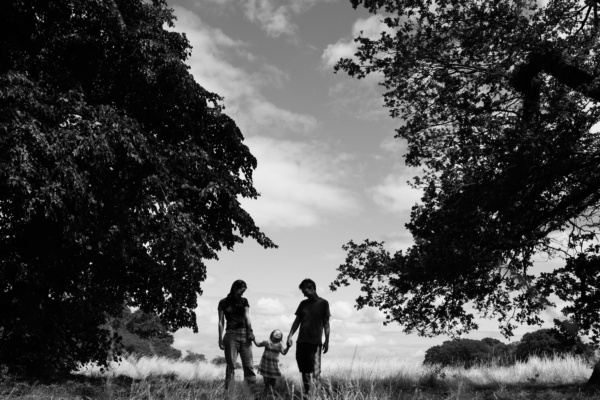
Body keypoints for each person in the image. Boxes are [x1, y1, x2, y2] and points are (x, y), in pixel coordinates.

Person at [286, 279, 330, 399]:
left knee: (315, 372)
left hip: (315, 343)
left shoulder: (323, 303)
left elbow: (326, 323)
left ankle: (318, 395)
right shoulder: (303, 304)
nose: (304, 294)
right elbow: (297, 321)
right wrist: (290, 335)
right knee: (304, 372)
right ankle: (307, 395)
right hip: (301, 342)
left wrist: (327, 340)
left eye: (305, 291)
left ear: (312, 289)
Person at [218, 279, 257, 396]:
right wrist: (220, 339)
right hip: (230, 335)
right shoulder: (223, 302)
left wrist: (250, 331)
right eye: (241, 290)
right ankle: (230, 393)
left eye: (244, 291)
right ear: (235, 288)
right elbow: (220, 322)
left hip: (245, 334)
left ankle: (251, 394)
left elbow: (247, 317)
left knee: (249, 365)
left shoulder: (244, 301)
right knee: (231, 365)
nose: (242, 293)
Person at [253, 329, 290, 398]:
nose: (277, 336)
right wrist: (253, 338)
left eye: (278, 335)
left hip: (273, 368)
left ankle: (268, 396)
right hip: (266, 367)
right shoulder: (267, 342)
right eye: (276, 334)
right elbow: (258, 344)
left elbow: (284, 352)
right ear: (271, 336)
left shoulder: (279, 345)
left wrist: (288, 347)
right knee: (267, 384)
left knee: (272, 385)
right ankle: (265, 396)